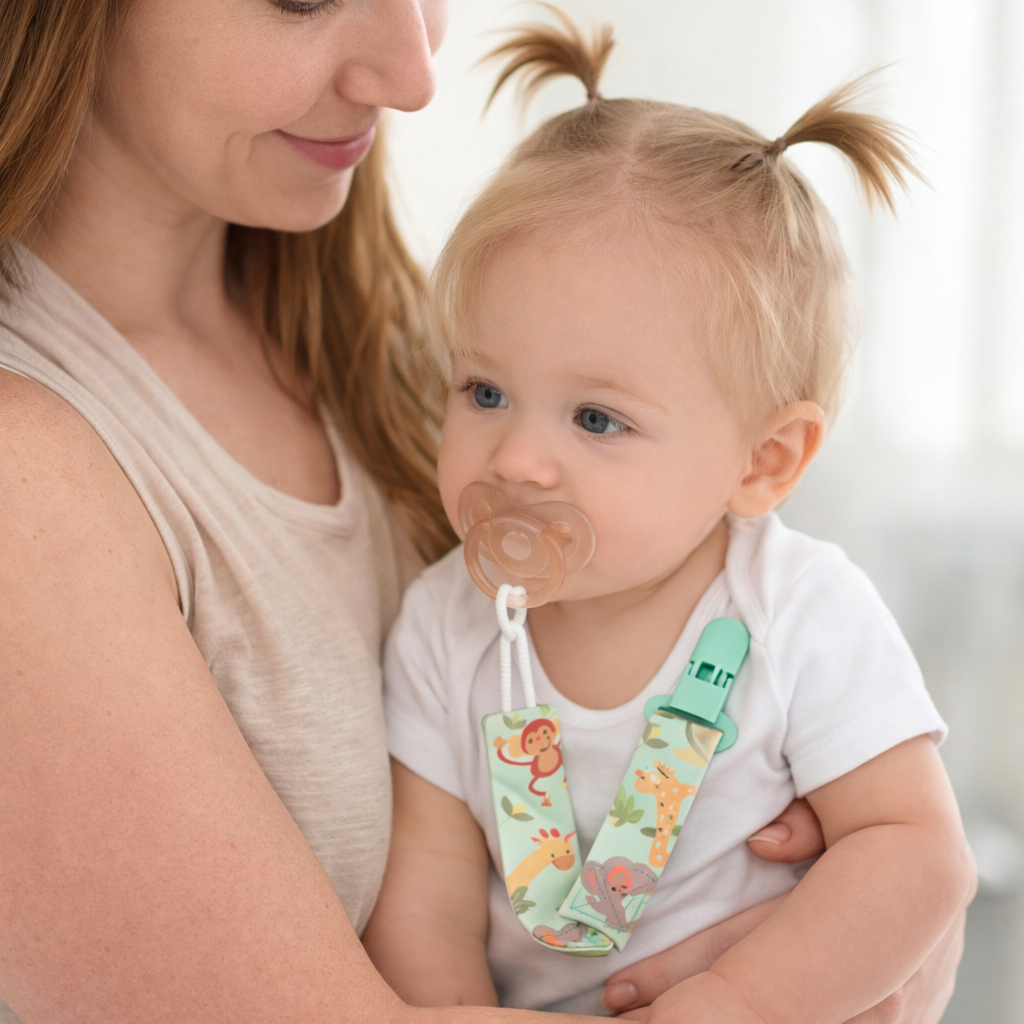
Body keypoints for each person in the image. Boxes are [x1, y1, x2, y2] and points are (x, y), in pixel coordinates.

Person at [0, 2, 970, 1022]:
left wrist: (842, 957)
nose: (416, 76)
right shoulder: (45, 480)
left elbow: (916, 873)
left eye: (596, 417)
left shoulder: (416, 352)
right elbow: (423, 932)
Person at [365, 11, 976, 1020]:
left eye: (596, 417)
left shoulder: (798, 611)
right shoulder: (442, 624)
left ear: (762, 462)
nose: (515, 455)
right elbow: (422, 903)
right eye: (481, 391)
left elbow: (917, 854)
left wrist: (738, 1001)